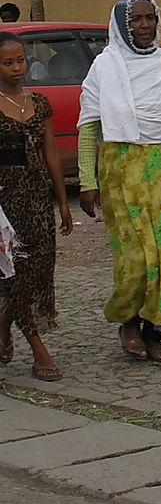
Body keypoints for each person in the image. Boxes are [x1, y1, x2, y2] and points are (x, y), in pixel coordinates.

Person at [77, 0, 161, 362]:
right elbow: (88, 127)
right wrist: (87, 181)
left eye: (149, 18)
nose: (144, 26)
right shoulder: (105, 66)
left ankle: (154, 330)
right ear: (122, 25)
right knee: (134, 257)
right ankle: (127, 320)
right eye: (136, 20)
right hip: (123, 168)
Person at [0, 32, 72, 379]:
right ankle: (36, 345)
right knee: (13, 270)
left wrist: (62, 202)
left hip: (37, 197)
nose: (16, 68)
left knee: (39, 269)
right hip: (5, 200)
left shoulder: (39, 102)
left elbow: (52, 154)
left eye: (20, 60)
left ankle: (3, 326)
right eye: (7, 62)